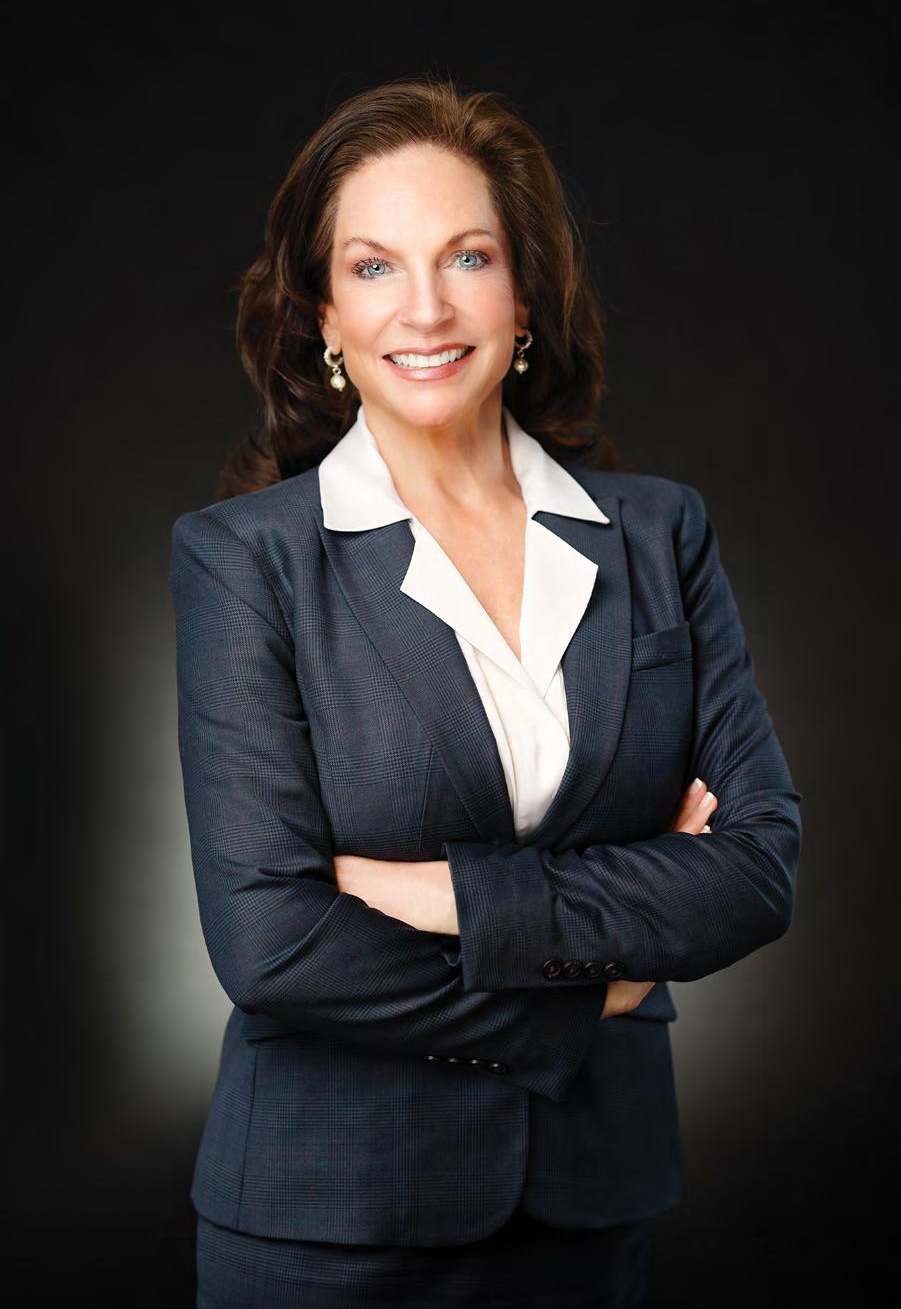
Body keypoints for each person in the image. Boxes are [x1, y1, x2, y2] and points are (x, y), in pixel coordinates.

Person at [170, 74, 802, 1308]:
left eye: (467, 256)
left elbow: (754, 868)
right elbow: (274, 944)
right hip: (331, 1225)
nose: (425, 307)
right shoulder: (246, 560)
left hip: (590, 1208)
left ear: (524, 298)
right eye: (373, 267)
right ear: (324, 315)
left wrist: (451, 894)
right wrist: (592, 991)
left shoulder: (657, 535)